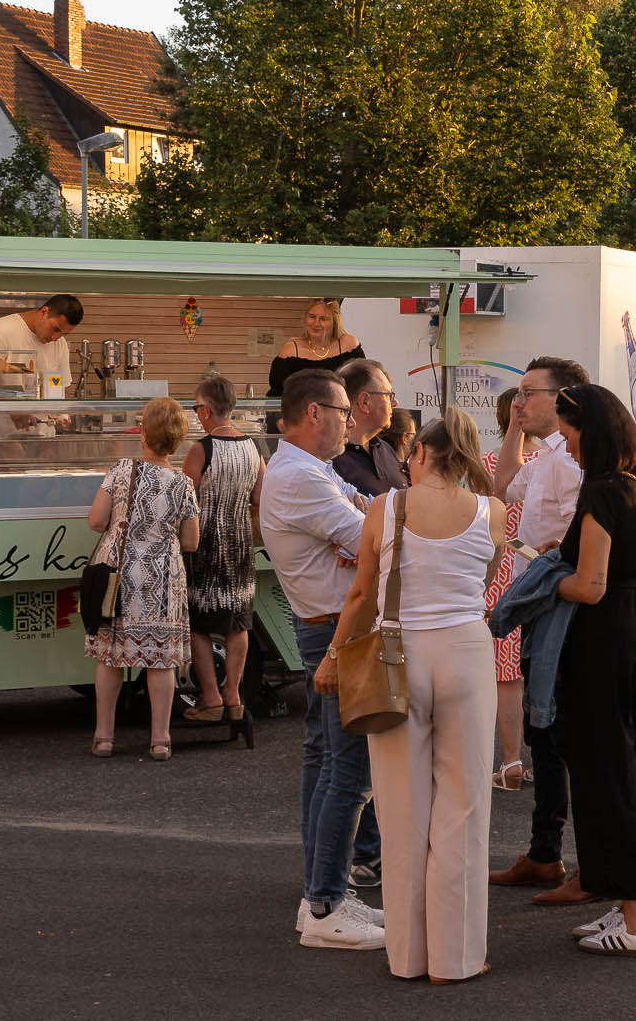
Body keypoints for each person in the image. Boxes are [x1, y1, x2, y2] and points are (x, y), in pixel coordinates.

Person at [312, 414, 500, 982]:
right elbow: (486, 581)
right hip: (467, 651)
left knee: (400, 807)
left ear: (418, 453)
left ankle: (407, 956)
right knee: (463, 807)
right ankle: (456, 959)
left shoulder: (385, 509)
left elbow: (363, 594)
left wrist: (333, 656)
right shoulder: (489, 512)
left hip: (399, 655)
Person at [256, 367, 382, 950]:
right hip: (337, 627)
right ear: (314, 414)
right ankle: (328, 904)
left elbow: (367, 521)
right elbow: (372, 541)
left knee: (327, 760)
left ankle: (321, 893)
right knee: (348, 771)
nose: (350, 421)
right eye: (342, 410)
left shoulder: (311, 471)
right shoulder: (301, 478)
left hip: (329, 625)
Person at [549, 384, 636, 956]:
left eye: (569, 436)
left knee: (608, 775)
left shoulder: (599, 492)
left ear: (589, 432)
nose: (566, 447)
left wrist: (545, 574)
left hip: (604, 641)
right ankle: (634, 903)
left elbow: (589, 586)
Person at [489, 356, 594, 902]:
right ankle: (545, 854)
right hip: (539, 604)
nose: (519, 401)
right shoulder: (546, 454)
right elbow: (503, 485)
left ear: (563, 398)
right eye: (518, 393)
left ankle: (580, 863)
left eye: (530, 393)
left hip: (563, 609)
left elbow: (589, 531)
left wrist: (561, 560)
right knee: (544, 733)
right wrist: (513, 428)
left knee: (561, 734)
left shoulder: (573, 463)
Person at [84, 394, 202, 760]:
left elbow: (96, 521)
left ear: (143, 435)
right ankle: (160, 740)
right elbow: (191, 541)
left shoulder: (121, 470)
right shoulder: (182, 483)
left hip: (118, 577)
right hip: (162, 577)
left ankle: (104, 737)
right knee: (161, 659)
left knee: (111, 657)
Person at [180, 374, 262, 730]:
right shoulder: (253, 449)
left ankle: (211, 697)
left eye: (197, 408)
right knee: (238, 620)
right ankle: (233, 695)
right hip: (241, 543)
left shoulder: (201, 450)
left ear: (208, 410)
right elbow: (261, 497)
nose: (197, 414)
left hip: (207, 545)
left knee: (197, 620)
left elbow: (184, 499)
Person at [482, 387, 528, 794]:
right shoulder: (555, 460)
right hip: (542, 567)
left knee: (504, 674)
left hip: (499, 572)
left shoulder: (487, 465)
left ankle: (510, 758)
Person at [330, 358, 408, 498]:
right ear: (364, 402)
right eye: (389, 396)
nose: (395, 403)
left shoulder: (384, 449)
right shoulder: (330, 457)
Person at [0, 292, 83, 392]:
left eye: (63, 334)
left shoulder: (60, 343)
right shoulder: (1, 331)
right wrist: (15, 411)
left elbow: (63, 389)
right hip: (3, 412)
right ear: (44, 312)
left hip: (41, 413)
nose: (56, 338)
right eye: (56, 329)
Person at [266, 298, 362, 399]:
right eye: (312, 317)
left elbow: (363, 384)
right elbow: (276, 395)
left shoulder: (349, 344)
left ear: (335, 322)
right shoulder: (290, 350)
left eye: (323, 319)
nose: (316, 323)